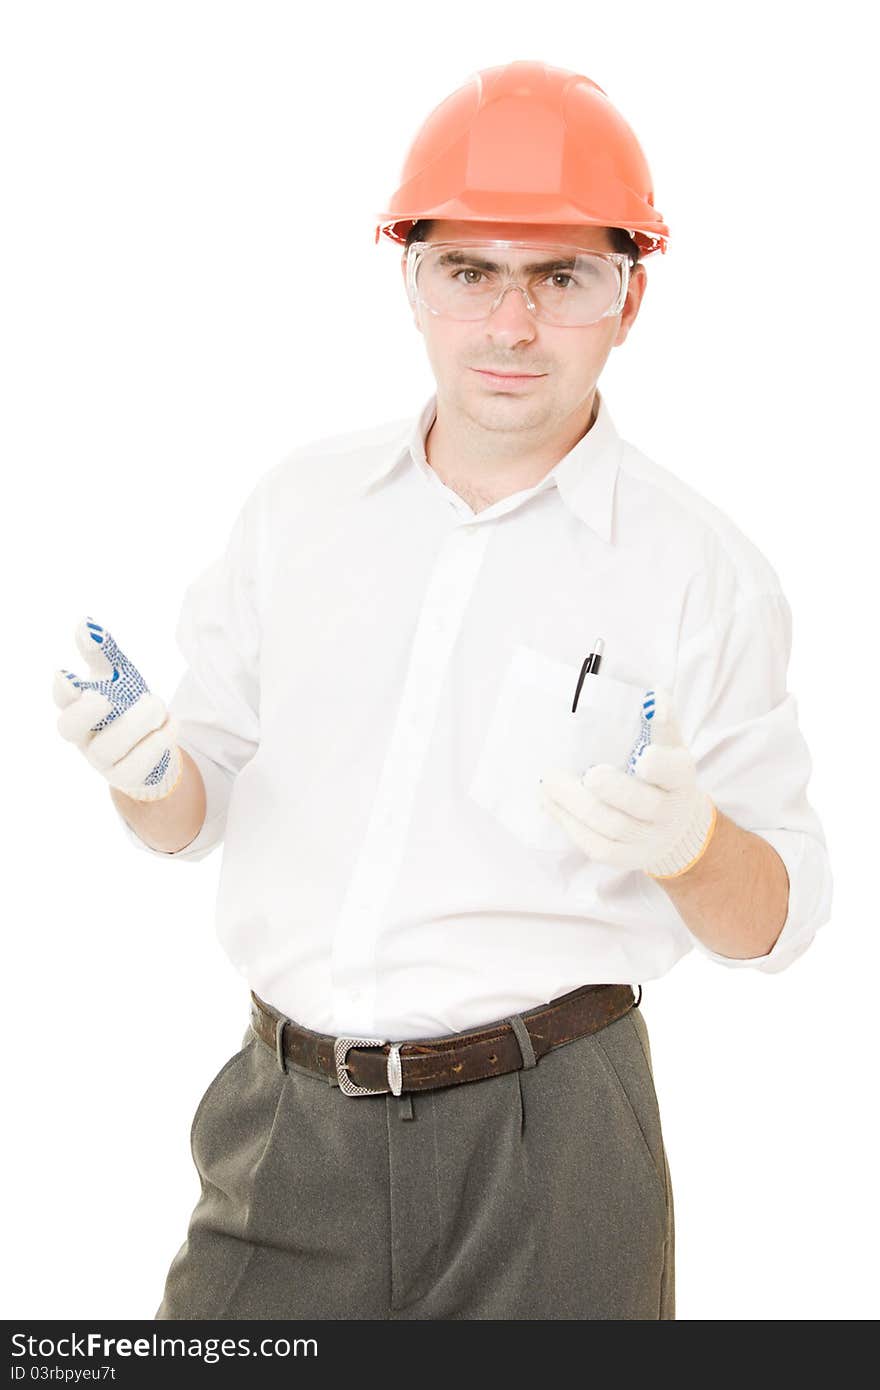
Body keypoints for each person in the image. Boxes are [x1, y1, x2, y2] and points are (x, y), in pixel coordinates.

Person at [53, 58, 832, 1321]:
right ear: (412, 278)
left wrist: (692, 844)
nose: (510, 326)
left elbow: (778, 923)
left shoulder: (703, 572)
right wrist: (148, 773)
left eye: (561, 278)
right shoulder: (296, 511)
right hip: (282, 1127)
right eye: (470, 272)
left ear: (628, 298)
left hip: (555, 1145)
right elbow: (194, 814)